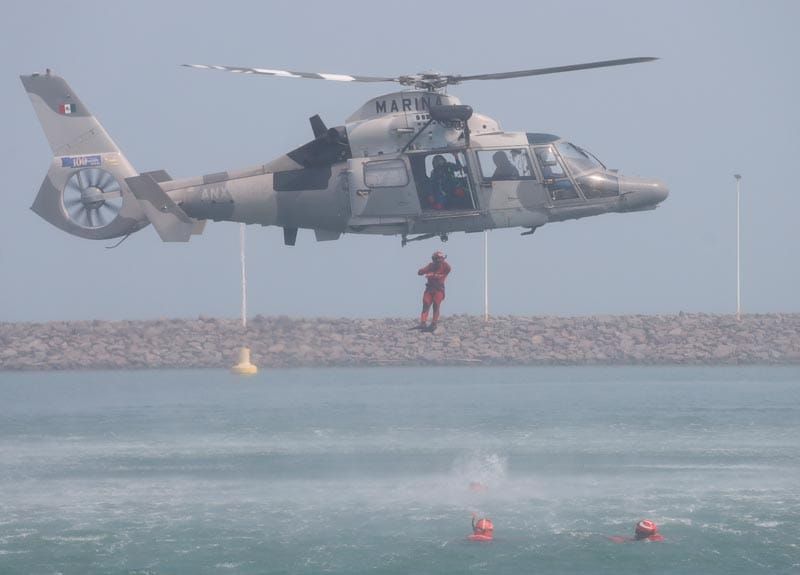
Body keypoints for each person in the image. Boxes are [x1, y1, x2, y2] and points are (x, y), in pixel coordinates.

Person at [417, 251, 451, 331]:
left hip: (439, 289)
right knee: (426, 303)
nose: (439, 261)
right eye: (437, 259)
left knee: (436, 305)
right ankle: (423, 322)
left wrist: (433, 275)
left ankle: (434, 323)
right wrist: (421, 271)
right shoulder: (431, 265)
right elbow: (421, 271)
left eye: (441, 259)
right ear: (434, 259)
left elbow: (445, 272)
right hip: (429, 288)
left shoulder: (446, 266)